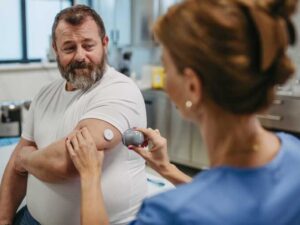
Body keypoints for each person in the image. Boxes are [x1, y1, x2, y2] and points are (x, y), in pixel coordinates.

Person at [65, 0, 300, 224]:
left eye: (167, 68)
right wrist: (167, 169)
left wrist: (90, 176)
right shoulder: (293, 154)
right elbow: (228, 202)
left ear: (192, 87)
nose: (165, 81)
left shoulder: (170, 214)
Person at [0, 5, 147, 225]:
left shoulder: (120, 89)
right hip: (32, 218)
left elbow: (67, 163)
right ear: (55, 49)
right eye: (69, 48)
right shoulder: (44, 94)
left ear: (104, 44)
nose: (80, 56)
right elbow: (15, 170)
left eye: (88, 46)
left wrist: (24, 158)